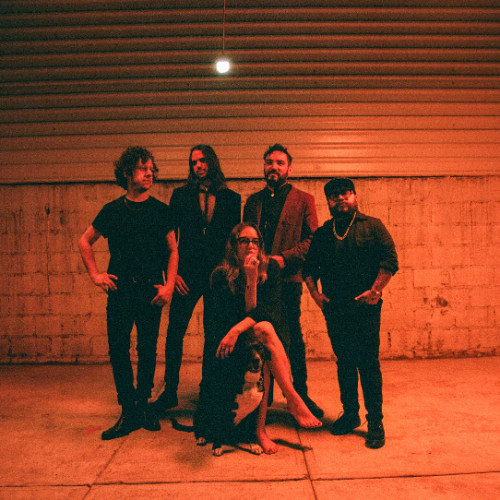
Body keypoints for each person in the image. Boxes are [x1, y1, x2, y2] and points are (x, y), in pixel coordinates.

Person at [78, 146, 179, 440]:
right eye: (142, 168)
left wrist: (169, 286)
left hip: (150, 290)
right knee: (119, 349)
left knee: (147, 349)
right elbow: (85, 242)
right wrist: (96, 275)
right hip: (120, 291)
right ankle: (128, 409)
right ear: (127, 173)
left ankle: (144, 405)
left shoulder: (161, 211)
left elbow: (173, 251)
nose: (149, 173)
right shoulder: (112, 211)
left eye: (151, 169)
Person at [204, 223, 322, 454]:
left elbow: (267, 312)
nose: (251, 245)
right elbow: (231, 316)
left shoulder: (271, 268)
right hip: (231, 336)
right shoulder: (221, 274)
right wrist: (236, 330)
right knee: (264, 332)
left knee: (265, 334)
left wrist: (252, 279)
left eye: (255, 241)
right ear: (234, 246)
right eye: (244, 241)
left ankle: (262, 429)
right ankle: (292, 400)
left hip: (261, 332)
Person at [302, 177, 398, 449]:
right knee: (344, 362)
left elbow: (390, 260)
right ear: (329, 202)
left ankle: (375, 421)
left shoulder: (373, 226)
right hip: (335, 309)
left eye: (345, 193)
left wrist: (375, 290)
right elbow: (309, 269)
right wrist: (316, 296)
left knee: (368, 363)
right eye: (335, 196)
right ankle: (351, 413)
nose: (341, 198)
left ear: (355, 196)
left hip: (365, 308)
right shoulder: (323, 233)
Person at [153, 145, 241, 414]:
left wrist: (229, 270)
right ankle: (169, 391)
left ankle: (208, 391)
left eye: (202, 161)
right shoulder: (180, 195)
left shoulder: (231, 198)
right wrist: (172, 273)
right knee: (175, 332)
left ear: (212, 162)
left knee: (213, 333)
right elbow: (167, 237)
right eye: (193, 162)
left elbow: (233, 240)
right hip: (186, 274)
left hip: (217, 275)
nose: (198, 166)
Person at [243, 144, 323, 419]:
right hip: (257, 278)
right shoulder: (254, 201)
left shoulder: (304, 200)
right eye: (269, 162)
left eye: (279, 163)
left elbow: (313, 240)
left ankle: (300, 394)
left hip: (288, 278)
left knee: (292, 337)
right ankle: (263, 396)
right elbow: (245, 237)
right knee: (257, 334)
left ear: (290, 168)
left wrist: (282, 259)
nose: (273, 167)